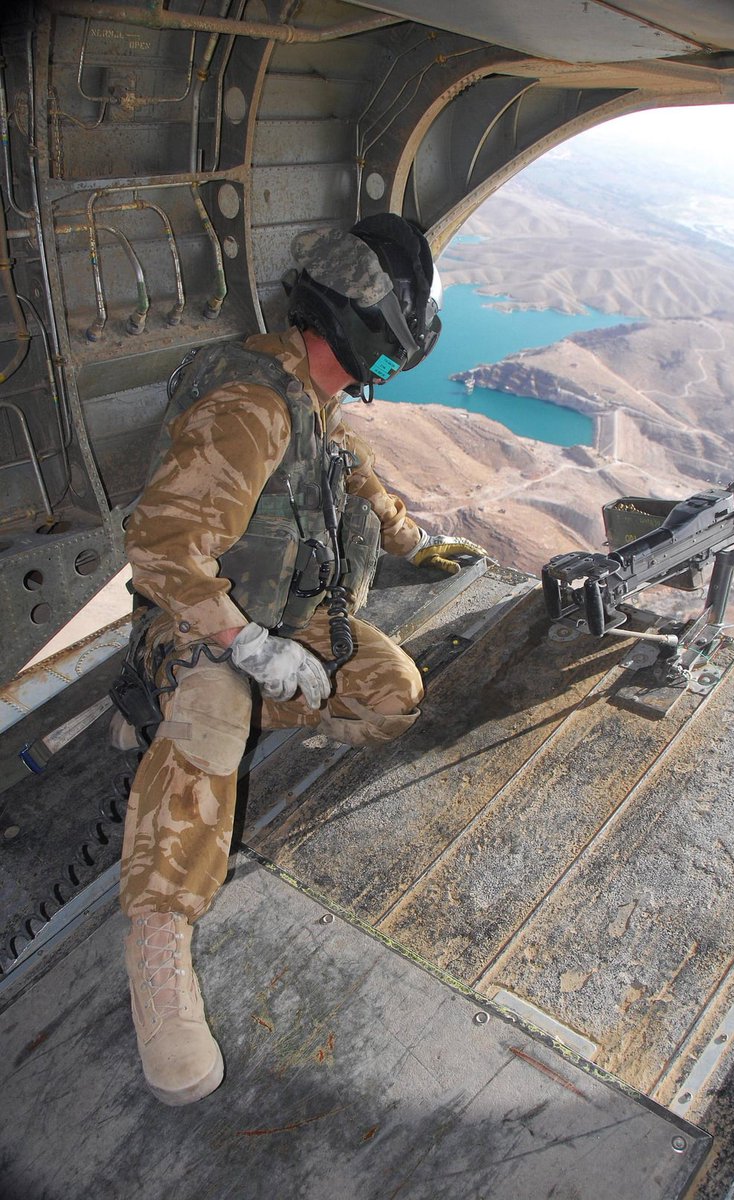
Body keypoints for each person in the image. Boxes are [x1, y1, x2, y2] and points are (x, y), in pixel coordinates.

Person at [116, 213, 487, 1106]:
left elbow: (347, 470)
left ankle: (204, 731)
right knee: (212, 709)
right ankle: (157, 938)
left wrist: (410, 539)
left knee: (390, 695)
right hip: (196, 624)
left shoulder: (304, 394)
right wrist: (243, 646)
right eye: (397, 345)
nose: (397, 363)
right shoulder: (247, 409)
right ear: (366, 328)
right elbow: (160, 545)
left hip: (283, 620)